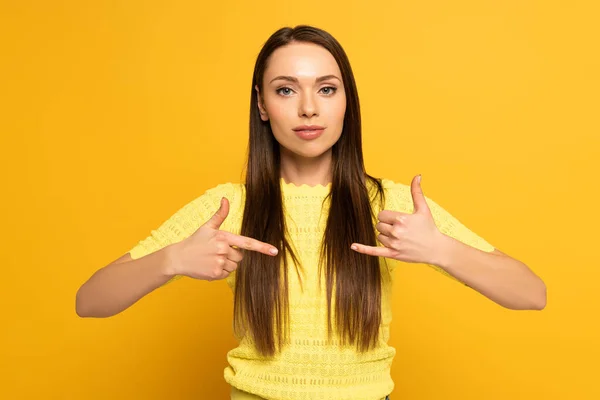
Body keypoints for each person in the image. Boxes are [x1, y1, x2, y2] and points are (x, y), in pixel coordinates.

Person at [76, 25, 546, 400]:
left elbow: (531, 293)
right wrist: (172, 260)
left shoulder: (391, 203)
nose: (307, 109)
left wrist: (442, 249)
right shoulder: (228, 207)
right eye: (285, 91)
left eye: (326, 89)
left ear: (347, 102)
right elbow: (90, 301)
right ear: (261, 104)